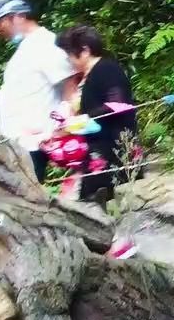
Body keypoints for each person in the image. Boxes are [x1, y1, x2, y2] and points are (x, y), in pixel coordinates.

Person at [0, 0, 76, 174]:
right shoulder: (27, 47)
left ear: (18, 17)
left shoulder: (45, 44)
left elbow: (71, 83)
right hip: (18, 143)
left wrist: (63, 128)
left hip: (35, 143)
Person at [57, 26, 137, 206]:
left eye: (70, 54)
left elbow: (117, 104)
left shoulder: (106, 69)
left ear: (85, 50)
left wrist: (82, 119)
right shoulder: (87, 75)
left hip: (113, 147)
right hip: (98, 148)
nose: (69, 60)